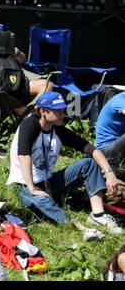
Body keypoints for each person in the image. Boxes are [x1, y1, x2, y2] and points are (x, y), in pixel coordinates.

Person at [8, 90, 123, 232]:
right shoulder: (30, 124)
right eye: (58, 111)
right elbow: (23, 155)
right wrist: (32, 188)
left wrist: (109, 172)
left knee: (89, 163)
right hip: (23, 185)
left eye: (63, 110)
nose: (63, 114)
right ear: (43, 111)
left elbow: (93, 150)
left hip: (48, 184)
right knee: (41, 200)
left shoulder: (58, 130)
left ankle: (98, 215)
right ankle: (78, 226)